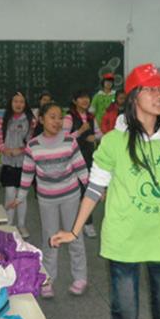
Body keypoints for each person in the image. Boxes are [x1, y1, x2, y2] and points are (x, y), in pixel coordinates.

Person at [51, 63, 160, 319]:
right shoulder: (114, 141)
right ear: (134, 96)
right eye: (151, 90)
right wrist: (74, 231)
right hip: (123, 238)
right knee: (125, 317)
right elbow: (95, 188)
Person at [7, 102, 89, 298]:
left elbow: (80, 167)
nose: (57, 121)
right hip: (47, 199)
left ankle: (80, 277)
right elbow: (27, 174)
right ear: (41, 120)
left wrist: (93, 190)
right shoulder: (33, 145)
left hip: (70, 195)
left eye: (60, 117)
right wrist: (20, 197)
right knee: (50, 239)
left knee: (75, 235)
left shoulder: (69, 141)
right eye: (52, 117)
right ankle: (48, 279)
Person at [63, 89, 103, 238]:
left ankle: (87, 222)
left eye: (87, 98)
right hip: (73, 158)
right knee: (75, 192)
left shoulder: (91, 117)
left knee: (89, 190)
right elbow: (63, 139)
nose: (85, 101)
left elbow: (99, 133)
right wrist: (79, 132)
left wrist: (95, 137)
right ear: (75, 101)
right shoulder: (69, 117)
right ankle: (78, 222)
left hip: (88, 157)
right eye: (81, 98)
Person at [0, 91, 36, 239]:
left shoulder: (31, 120)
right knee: (9, 194)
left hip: (24, 163)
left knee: (22, 196)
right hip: (8, 162)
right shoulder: (4, 120)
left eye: (21, 102)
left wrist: (20, 150)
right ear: (11, 103)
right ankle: (9, 224)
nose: (18, 104)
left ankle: (21, 224)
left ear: (25, 104)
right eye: (15, 101)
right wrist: (4, 149)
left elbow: (32, 141)